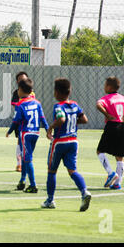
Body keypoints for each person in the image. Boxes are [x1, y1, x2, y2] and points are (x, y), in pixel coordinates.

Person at [42, 78, 91, 211]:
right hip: (73, 141)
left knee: (52, 171)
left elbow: (61, 118)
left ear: (56, 92)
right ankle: (84, 192)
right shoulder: (75, 105)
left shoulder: (58, 106)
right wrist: (73, 121)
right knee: (72, 171)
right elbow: (84, 119)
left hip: (60, 142)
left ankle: (50, 200)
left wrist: (51, 127)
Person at [96, 76, 124, 190]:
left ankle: (110, 173)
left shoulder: (106, 98)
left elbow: (98, 105)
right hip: (122, 127)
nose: (104, 87)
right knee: (119, 156)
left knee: (100, 151)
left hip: (111, 125)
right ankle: (117, 183)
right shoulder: (123, 98)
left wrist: (107, 115)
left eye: (105, 85)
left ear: (110, 87)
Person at [6, 78, 48, 193]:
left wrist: (9, 131)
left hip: (26, 134)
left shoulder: (20, 104)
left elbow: (16, 120)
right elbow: (42, 118)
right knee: (25, 157)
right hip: (36, 133)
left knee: (27, 159)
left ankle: (33, 185)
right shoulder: (37, 103)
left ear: (20, 90)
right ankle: (22, 181)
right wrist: (48, 130)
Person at [11, 71, 35, 172]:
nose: (23, 81)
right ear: (17, 82)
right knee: (20, 141)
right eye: (21, 79)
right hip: (20, 121)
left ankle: (27, 162)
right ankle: (19, 164)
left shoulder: (32, 93)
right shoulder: (16, 93)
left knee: (28, 143)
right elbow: (14, 104)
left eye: (24, 79)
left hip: (30, 123)